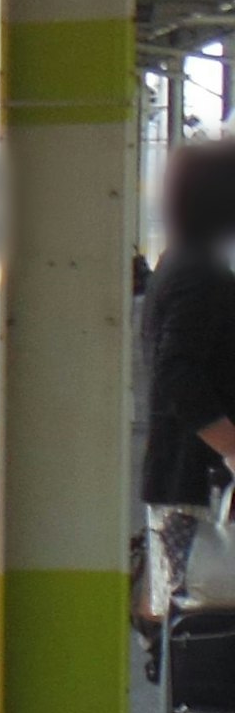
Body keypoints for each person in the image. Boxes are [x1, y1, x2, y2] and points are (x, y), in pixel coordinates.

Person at [138, 140, 235, 624]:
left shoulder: (179, 263)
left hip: (181, 479)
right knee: (197, 626)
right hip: (197, 485)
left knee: (188, 627)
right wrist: (232, 447)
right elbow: (179, 374)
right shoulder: (203, 274)